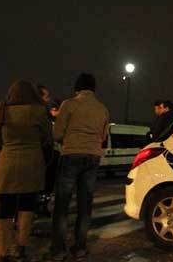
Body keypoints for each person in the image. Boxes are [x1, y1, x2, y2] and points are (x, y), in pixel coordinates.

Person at [47, 73, 109, 261]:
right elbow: (104, 137)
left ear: (77, 88)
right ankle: (80, 248)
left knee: (62, 204)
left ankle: (58, 250)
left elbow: (57, 134)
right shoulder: (103, 109)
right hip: (92, 158)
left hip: (71, 155)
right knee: (85, 205)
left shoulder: (69, 104)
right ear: (94, 88)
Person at [0, 81, 52, 262]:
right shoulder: (38, 111)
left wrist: (5, 152)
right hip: (31, 163)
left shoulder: (0, 111)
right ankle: (21, 247)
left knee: (5, 209)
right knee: (27, 206)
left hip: (6, 162)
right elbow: (48, 139)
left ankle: (2, 251)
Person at [36, 85, 61, 218]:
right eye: (46, 96)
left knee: (47, 185)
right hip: (46, 154)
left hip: (49, 154)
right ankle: (40, 207)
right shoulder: (44, 117)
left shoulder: (46, 116)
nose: (48, 99)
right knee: (44, 184)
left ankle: (42, 206)